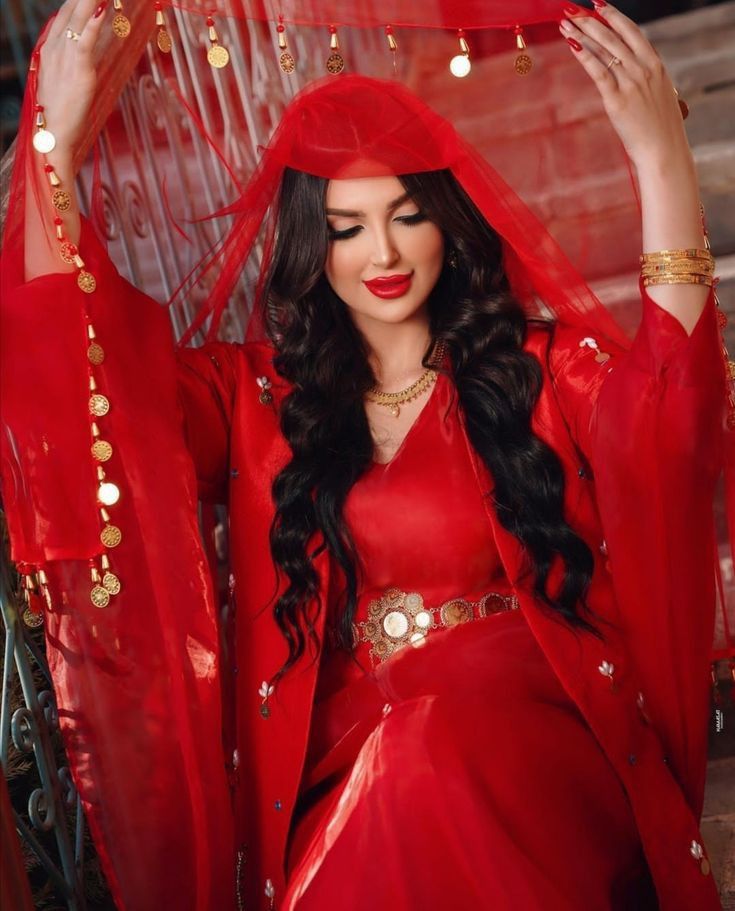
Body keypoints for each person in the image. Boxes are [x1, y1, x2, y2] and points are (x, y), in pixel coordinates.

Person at [0, 0, 728, 909]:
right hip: (349, 761)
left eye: (406, 216)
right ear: (313, 245)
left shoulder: (535, 372)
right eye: (346, 228)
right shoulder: (258, 396)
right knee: (394, 779)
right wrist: (53, 153)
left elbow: (672, 421)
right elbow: (85, 391)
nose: (380, 252)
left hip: (534, 739)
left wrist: (660, 161)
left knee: (425, 757)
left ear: (447, 225)